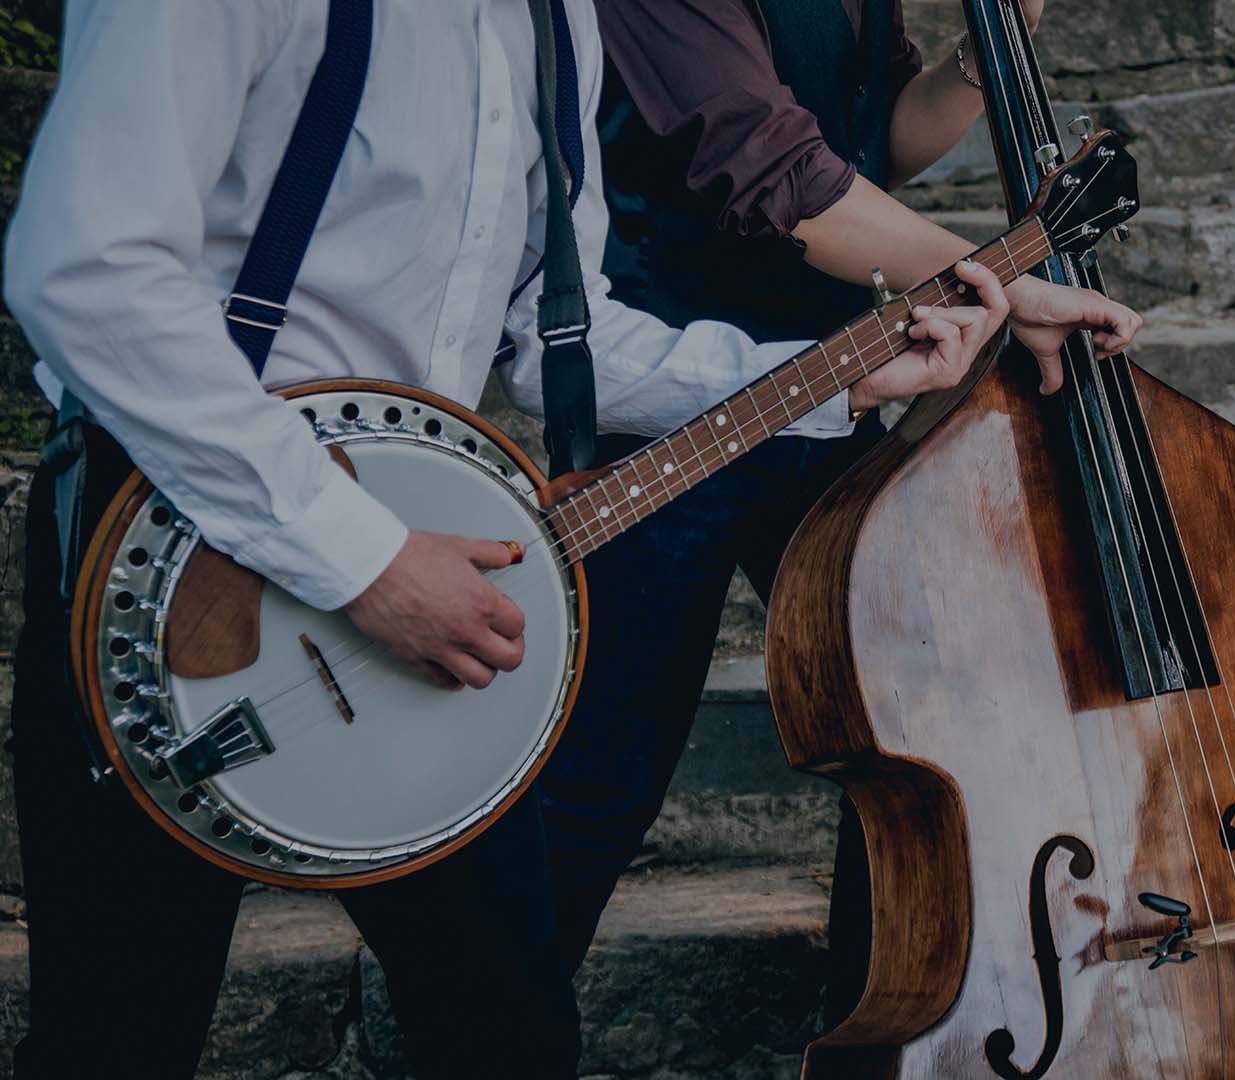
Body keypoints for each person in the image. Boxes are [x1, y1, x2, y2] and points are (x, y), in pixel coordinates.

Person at [0, 2, 1130, 1076]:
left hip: (422, 554)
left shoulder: (554, 20)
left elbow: (562, 341)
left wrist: (831, 380)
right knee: (116, 1038)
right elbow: (84, 271)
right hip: (174, 546)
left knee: (509, 1034)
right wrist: (368, 561)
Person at [542, 0, 1140, 1020]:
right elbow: (778, 176)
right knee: (595, 787)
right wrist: (999, 281)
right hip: (670, 405)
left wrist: (969, 58)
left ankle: (894, 1021)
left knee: (923, 736)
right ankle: (490, 1019)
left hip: (834, 389)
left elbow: (872, 149)